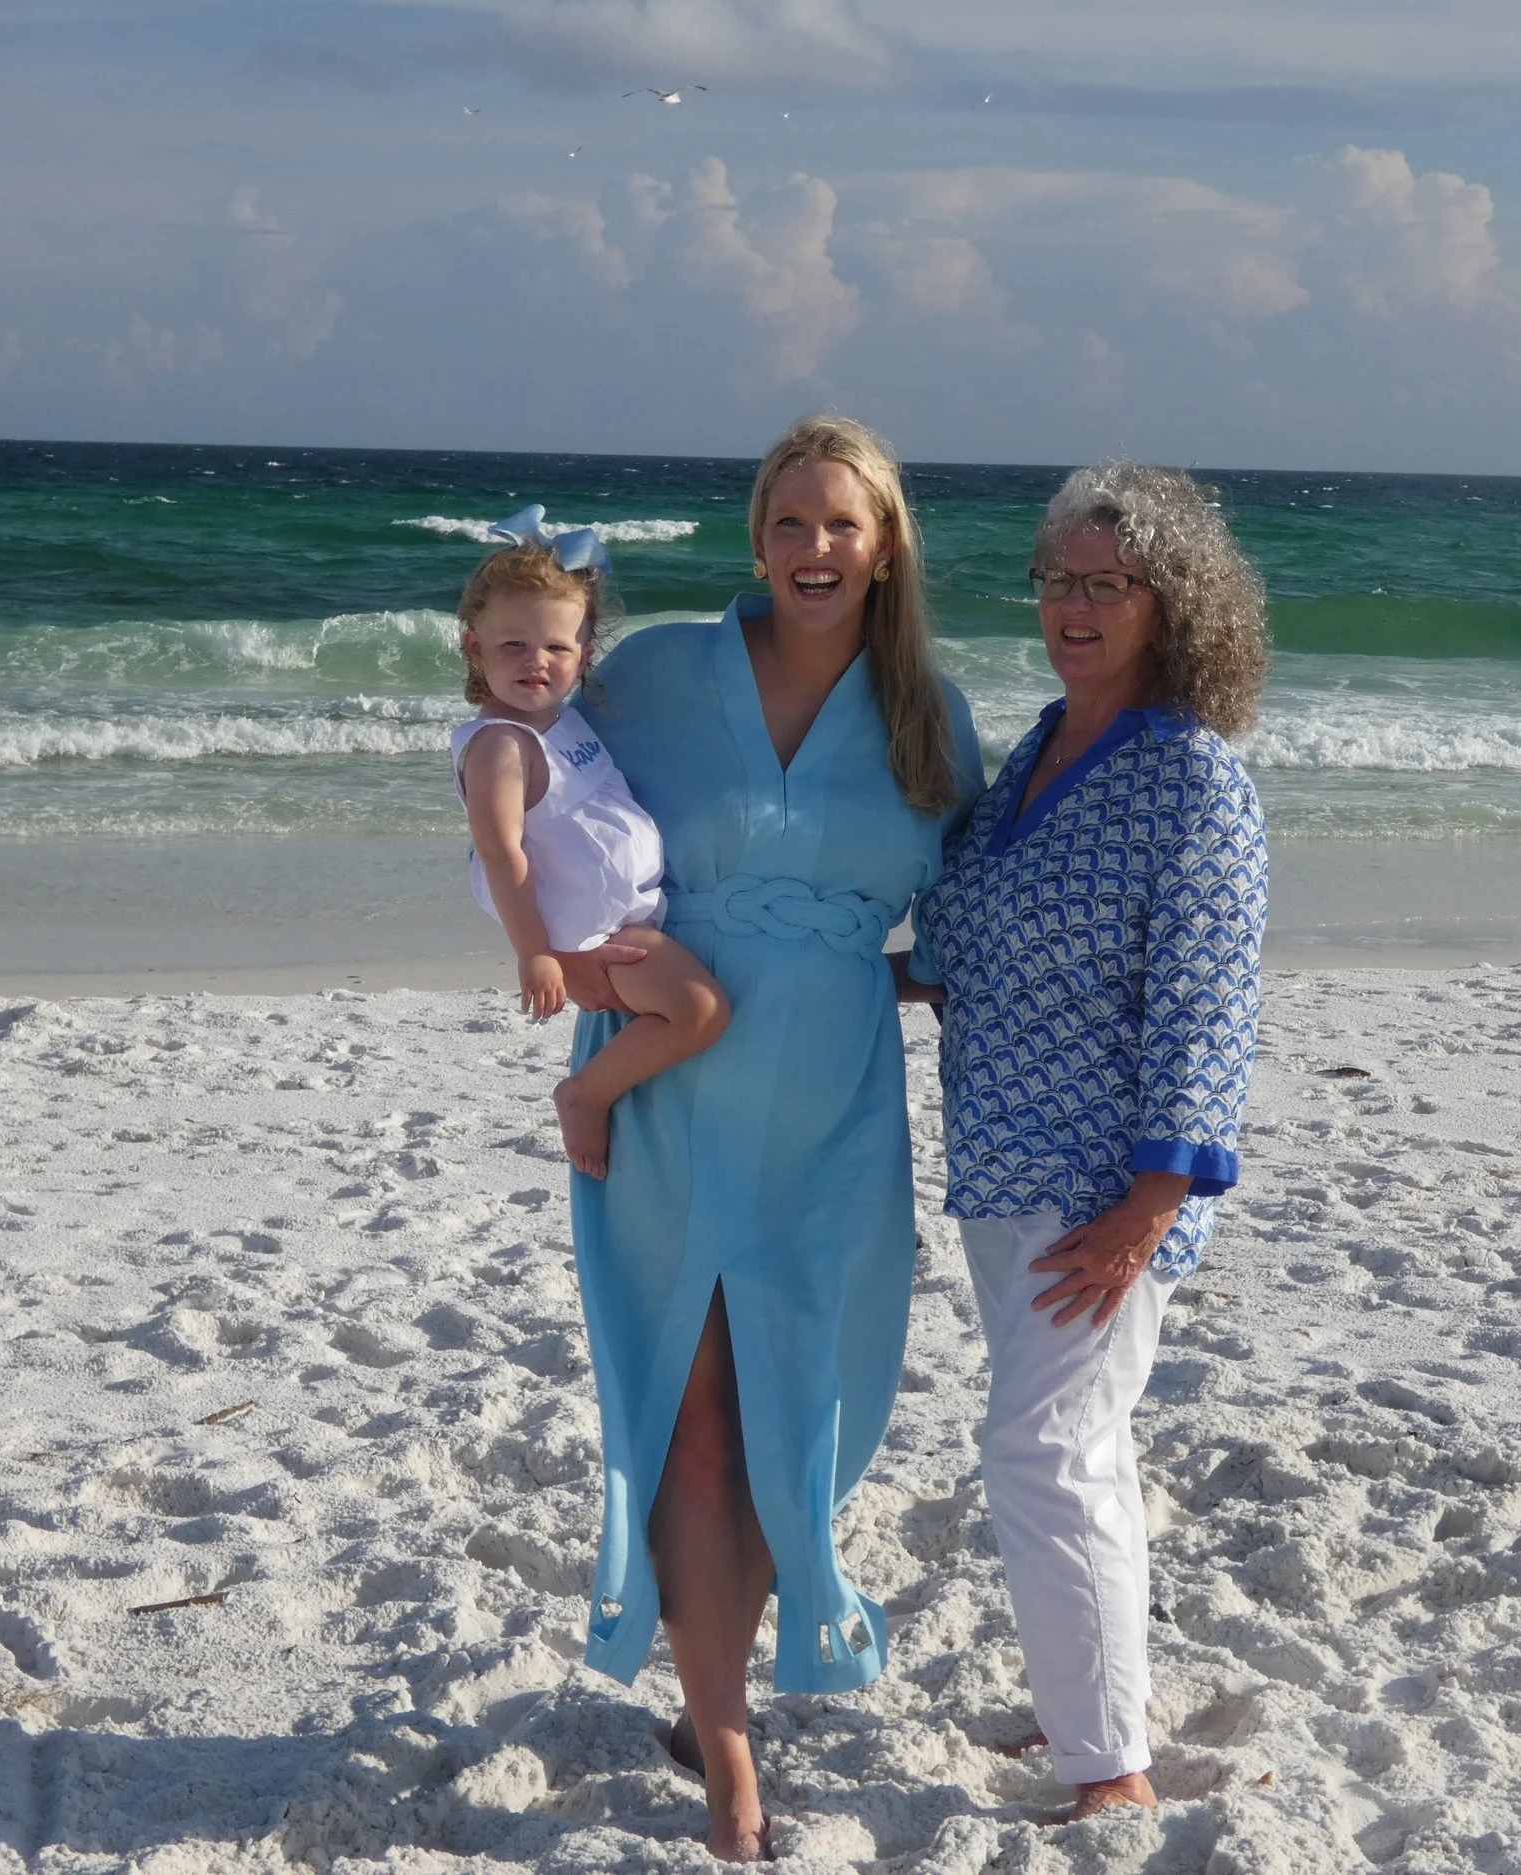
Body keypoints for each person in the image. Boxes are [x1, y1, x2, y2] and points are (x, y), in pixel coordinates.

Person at [553, 417, 981, 1861]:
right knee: (686, 1423)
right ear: (755, 538)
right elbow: (522, 771)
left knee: (789, 1418)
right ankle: (732, 1771)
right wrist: (559, 955)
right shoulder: (653, 674)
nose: (813, 548)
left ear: (885, 545)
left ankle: (709, 1697)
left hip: (832, 1111)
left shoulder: (930, 717)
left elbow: (972, 918)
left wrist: (870, 969)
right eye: (788, 522)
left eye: (840, 523)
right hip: (668, 1087)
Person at [912, 461, 1270, 1822]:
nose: (1073, 605)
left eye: (1107, 583)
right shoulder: (1037, 751)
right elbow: (965, 946)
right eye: (1056, 579)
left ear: (1172, 604)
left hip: (1105, 1192)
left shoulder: (1194, 780)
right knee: (1082, 1452)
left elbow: (1209, 1006)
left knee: (1039, 1453)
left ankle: (1111, 1772)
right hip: (1001, 1170)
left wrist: (1151, 1204)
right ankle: (1092, 1707)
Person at [452, 508, 730, 1178]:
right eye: (513, 645)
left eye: (558, 647)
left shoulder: (558, 719)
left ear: (585, 654)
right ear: (473, 647)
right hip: (592, 936)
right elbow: (501, 855)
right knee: (702, 1011)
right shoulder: (500, 746)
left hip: (621, 919)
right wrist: (539, 954)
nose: (536, 661)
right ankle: (586, 1093)